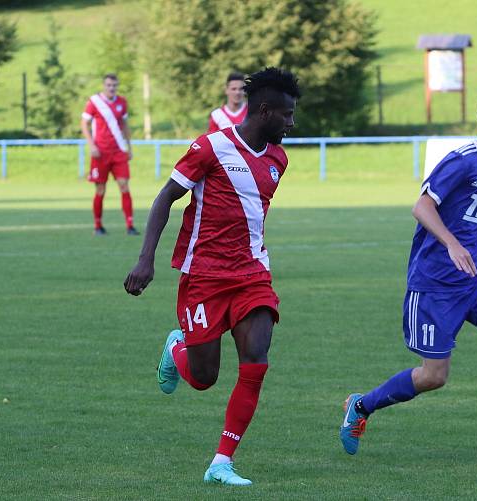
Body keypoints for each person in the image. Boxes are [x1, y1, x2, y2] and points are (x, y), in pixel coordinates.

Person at [339, 88, 477, 461]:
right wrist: (451, 243)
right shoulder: (461, 162)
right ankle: (361, 406)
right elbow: (422, 207)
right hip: (433, 285)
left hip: (475, 280)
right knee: (434, 377)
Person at [124, 67, 300, 486]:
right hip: (203, 275)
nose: (292, 123)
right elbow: (166, 197)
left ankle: (221, 462)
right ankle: (177, 347)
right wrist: (146, 259)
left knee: (256, 360)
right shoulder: (210, 147)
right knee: (204, 379)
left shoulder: (279, 158)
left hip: (252, 273)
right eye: (287, 114)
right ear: (264, 111)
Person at [81, 73, 139, 235]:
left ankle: (130, 225)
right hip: (100, 153)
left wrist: (129, 147)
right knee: (100, 189)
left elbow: (125, 125)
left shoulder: (122, 102)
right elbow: (84, 123)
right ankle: (98, 226)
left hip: (119, 151)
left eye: (114, 85)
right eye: (108, 85)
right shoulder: (94, 102)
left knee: (124, 185)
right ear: (103, 86)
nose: (111, 88)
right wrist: (91, 144)